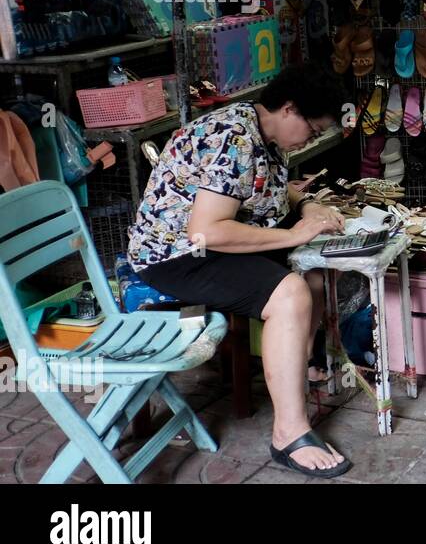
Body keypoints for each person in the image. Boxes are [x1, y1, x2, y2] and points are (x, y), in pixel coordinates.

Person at [127, 64, 354, 478]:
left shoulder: (258, 127)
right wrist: (292, 236)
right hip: (176, 255)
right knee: (290, 294)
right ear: (289, 109)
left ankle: (299, 369)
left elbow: (261, 187)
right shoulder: (231, 137)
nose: (313, 139)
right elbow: (206, 232)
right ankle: (289, 433)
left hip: (213, 240)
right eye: (314, 129)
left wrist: (307, 206)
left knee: (318, 267)